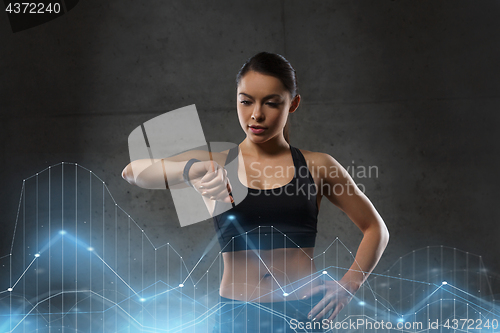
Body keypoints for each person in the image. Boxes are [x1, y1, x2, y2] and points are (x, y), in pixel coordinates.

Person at [122, 52, 389, 332]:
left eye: (271, 103)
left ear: (293, 104)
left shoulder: (317, 165)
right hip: (238, 315)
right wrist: (189, 170)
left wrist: (350, 283)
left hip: (304, 311)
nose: (256, 114)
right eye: (246, 101)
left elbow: (376, 229)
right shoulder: (217, 161)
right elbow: (132, 172)